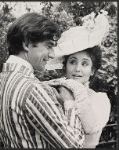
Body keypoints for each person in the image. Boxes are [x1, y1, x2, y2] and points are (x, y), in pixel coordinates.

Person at [0, 12, 89, 148]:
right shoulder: (31, 89)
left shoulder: (2, 79)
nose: (52, 54)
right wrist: (69, 102)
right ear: (27, 43)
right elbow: (74, 145)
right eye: (49, 46)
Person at [45, 11, 111, 148]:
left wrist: (70, 99)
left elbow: (89, 127)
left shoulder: (100, 99)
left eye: (85, 64)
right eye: (73, 62)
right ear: (65, 66)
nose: (78, 69)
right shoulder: (55, 92)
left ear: (92, 70)